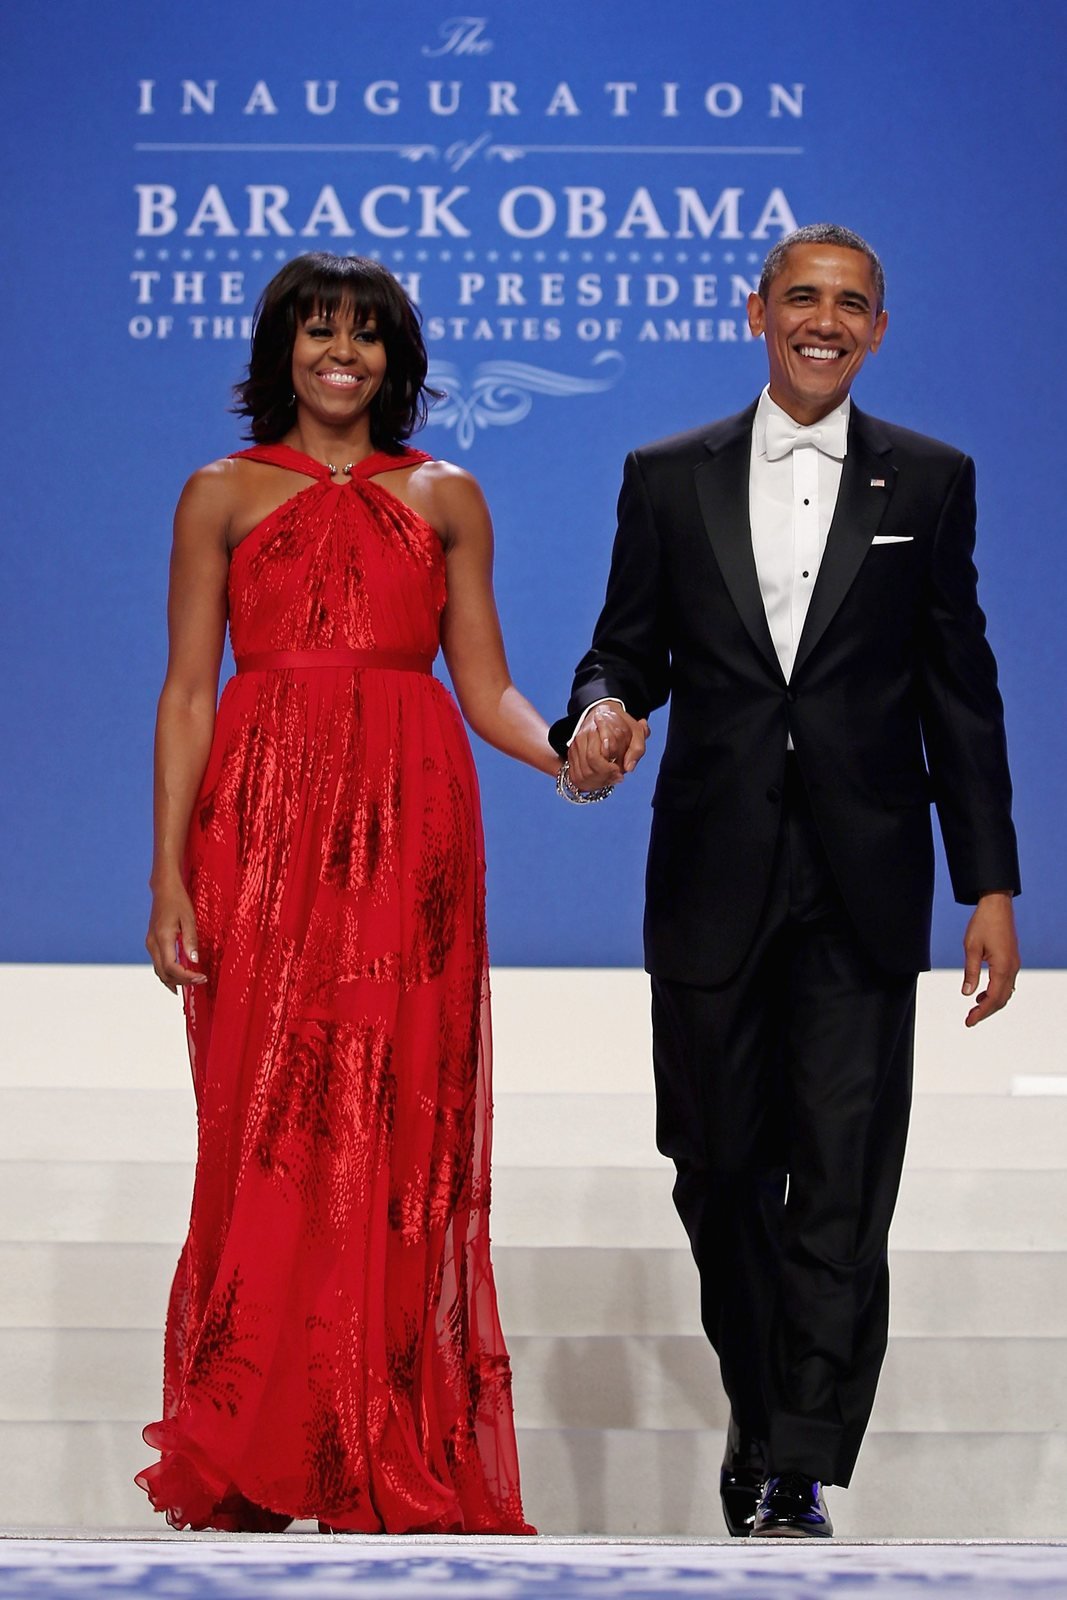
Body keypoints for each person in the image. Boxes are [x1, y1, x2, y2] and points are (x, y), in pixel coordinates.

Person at [550, 223, 1021, 1538]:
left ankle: (789, 1455)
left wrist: (985, 882)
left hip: (864, 880)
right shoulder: (663, 476)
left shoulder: (927, 481)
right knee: (711, 1167)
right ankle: (766, 1414)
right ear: (752, 310)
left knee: (840, 1174)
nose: (823, 321)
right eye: (800, 298)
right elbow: (620, 648)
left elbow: (956, 691)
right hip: (711, 871)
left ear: (877, 327)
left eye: (850, 304)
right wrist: (595, 715)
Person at [139, 252, 591, 1534]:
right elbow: (185, 692)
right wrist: (167, 870)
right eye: (319, 330)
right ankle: (252, 1446)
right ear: (280, 346)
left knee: (398, 1123)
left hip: (412, 831)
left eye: (368, 336)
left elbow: (484, 683)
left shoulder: (446, 496)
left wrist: (565, 746)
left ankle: (373, 1442)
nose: (343, 354)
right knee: (269, 1118)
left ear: (397, 359)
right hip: (262, 827)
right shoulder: (219, 495)